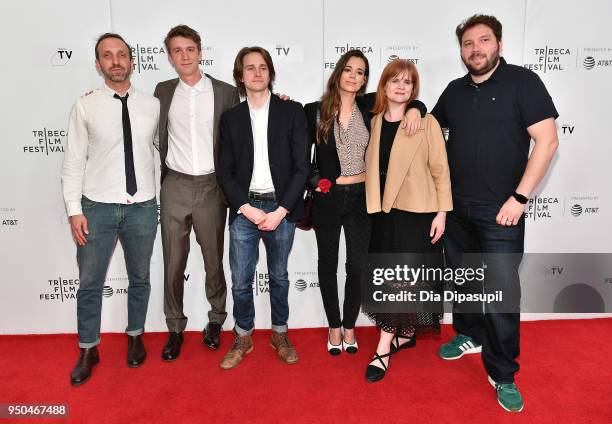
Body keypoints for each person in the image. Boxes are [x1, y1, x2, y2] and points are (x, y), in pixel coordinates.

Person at [431, 14, 559, 412]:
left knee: (501, 296)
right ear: (461, 51)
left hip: (502, 210)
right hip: (456, 209)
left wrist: (519, 199)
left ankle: (503, 373)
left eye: (483, 41)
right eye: (468, 44)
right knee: (466, 282)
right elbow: (431, 132)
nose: (475, 49)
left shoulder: (523, 82)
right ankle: (469, 333)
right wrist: (417, 109)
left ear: (498, 44)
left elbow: (548, 140)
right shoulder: (454, 90)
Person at [304, 50, 425, 356]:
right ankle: (334, 326)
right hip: (328, 198)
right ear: (338, 73)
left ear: (365, 79)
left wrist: (416, 110)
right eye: (349, 70)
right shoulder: (313, 111)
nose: (353, 76)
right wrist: (315, 182)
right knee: (327, 264)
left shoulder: (369, 105)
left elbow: (407, 98)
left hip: (362, 198)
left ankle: (349, 325)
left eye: (360, 72)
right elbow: (297, 157)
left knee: (357, 266)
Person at [62, 33, 159, 386]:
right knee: (89, 282)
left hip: (143, 207)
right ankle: (89, 347)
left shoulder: (152, 104)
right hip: (97, 209)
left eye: (121, 55)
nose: (116, 61)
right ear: (99, 64)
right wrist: (74, 210)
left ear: (132, 60)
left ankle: (135, 335)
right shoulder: (85, 106)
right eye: (107, 56)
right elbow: (73, 163)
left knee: (141, 278)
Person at [216, 47, 309, 369]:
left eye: (262, 67)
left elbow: (302, 167)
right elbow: (224, 170)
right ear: (240, 76)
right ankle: (243, 336)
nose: (256, 73)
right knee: (241, 280)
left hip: (280, 210)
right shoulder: (231, 119)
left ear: (270, 72)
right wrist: (245, 207)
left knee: (280, 276)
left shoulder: (292, 111)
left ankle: (279, 333)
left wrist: (281, 210)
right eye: (249, 68)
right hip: (244, 210)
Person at [363, 59, 452, 382]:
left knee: (401, 277)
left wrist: (442, 213)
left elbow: (441, 170)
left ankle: (383, 347)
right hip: (384, 213)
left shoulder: (426, 123)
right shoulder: (374, 121)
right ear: (383, 86)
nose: (401, 87)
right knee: (393, 277)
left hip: (417, 212)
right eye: (395, 81)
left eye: (408, 83)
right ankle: (406, 331)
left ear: (414, 90)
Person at [154, 25, 239, 361]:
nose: (184, 56)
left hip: (211, 186)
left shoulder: (226, 92)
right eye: (177, 50)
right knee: (173, 262)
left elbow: (247, 127)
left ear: (200, 52)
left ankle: (216, 321)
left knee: (213, 261)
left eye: (190, 49)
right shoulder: (161, 91)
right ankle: (175, 328)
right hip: (173, 184)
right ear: (170, 56)